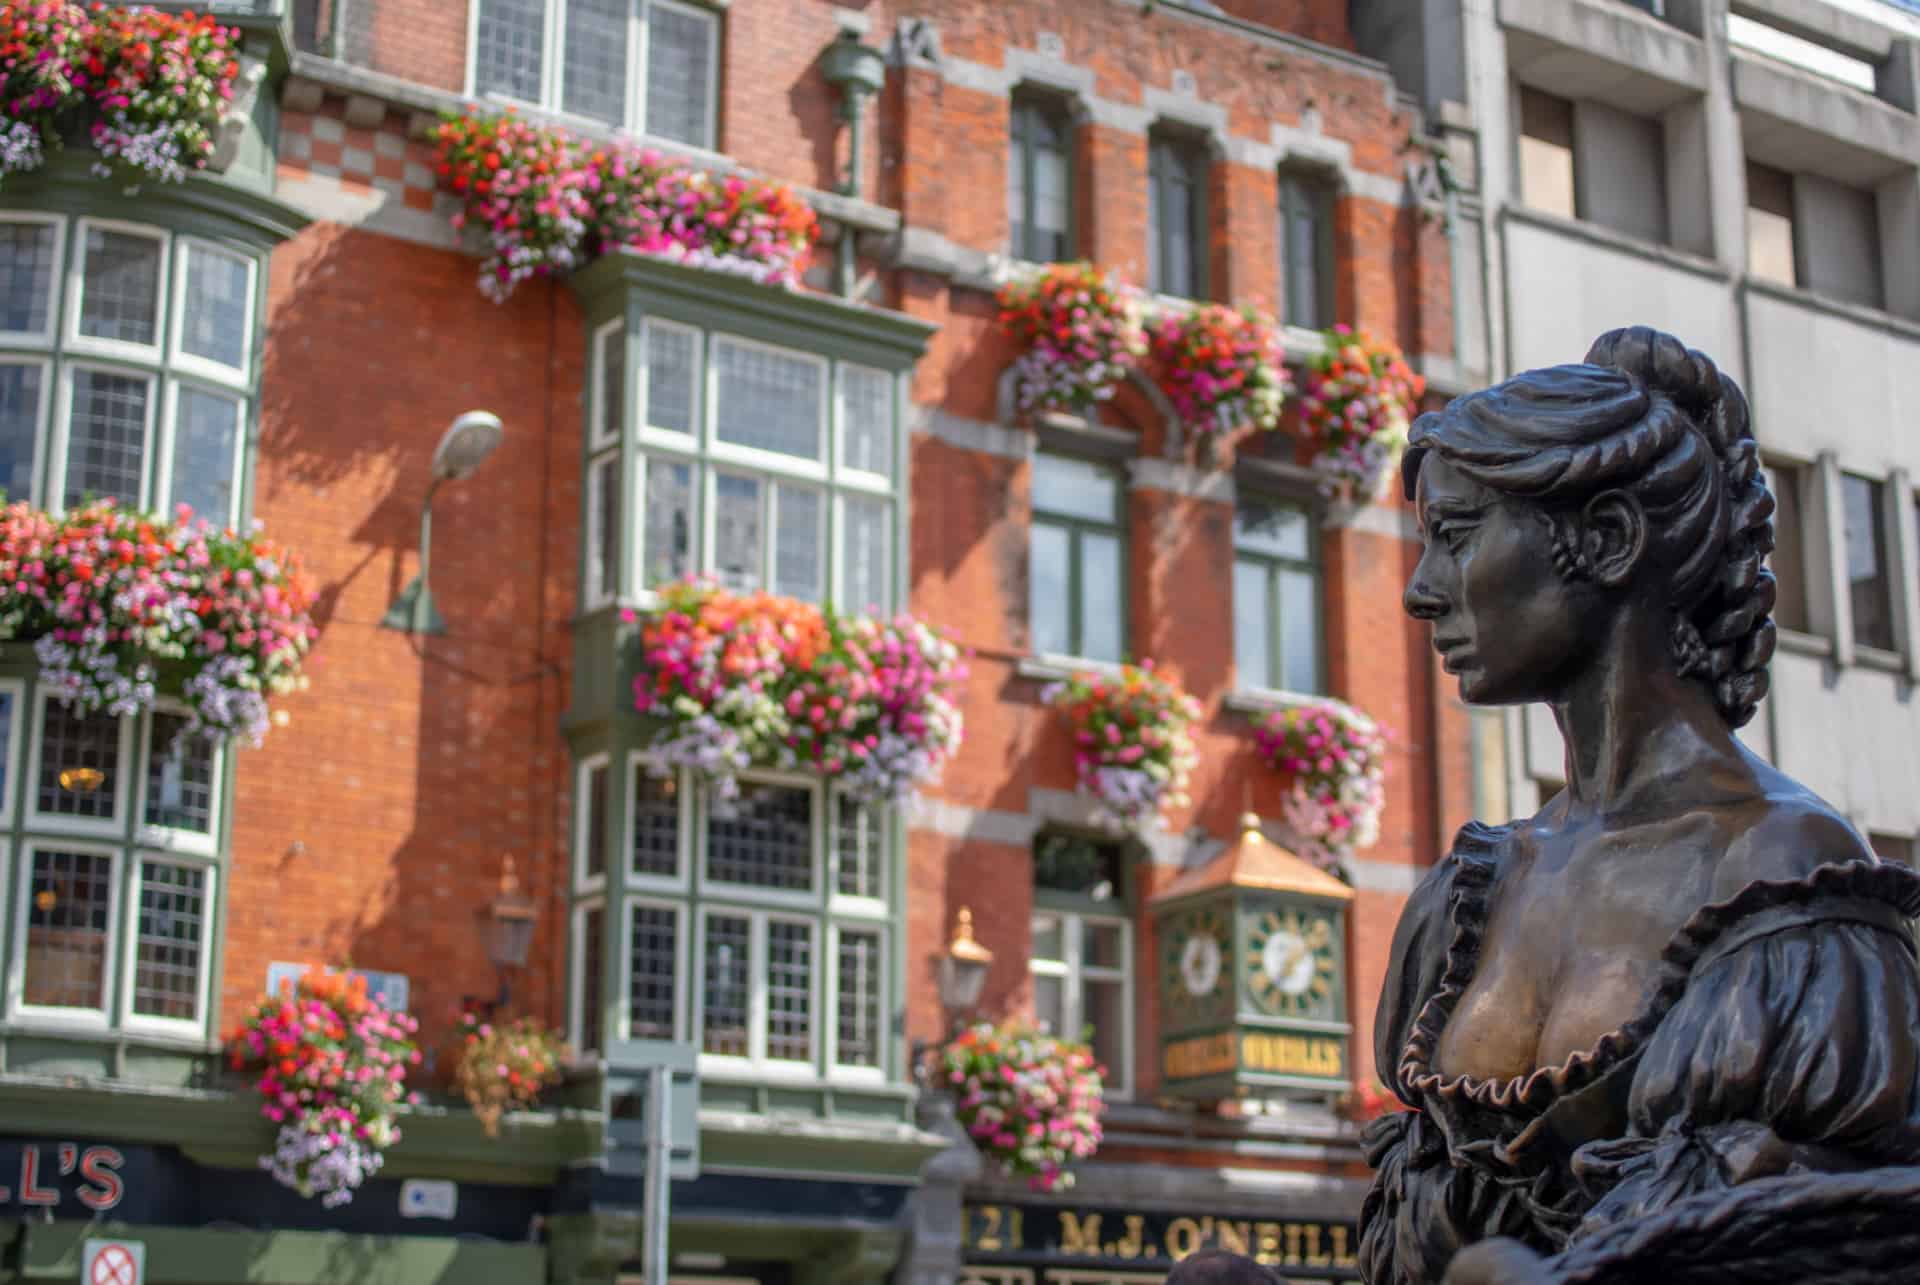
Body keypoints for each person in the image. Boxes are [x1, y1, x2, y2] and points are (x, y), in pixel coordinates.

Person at [1165, 328, 1920, 1284]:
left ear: (1607, 539)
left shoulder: (1784, 873)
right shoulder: (1469, 896)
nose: (1420, 592)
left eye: (1457, 535)